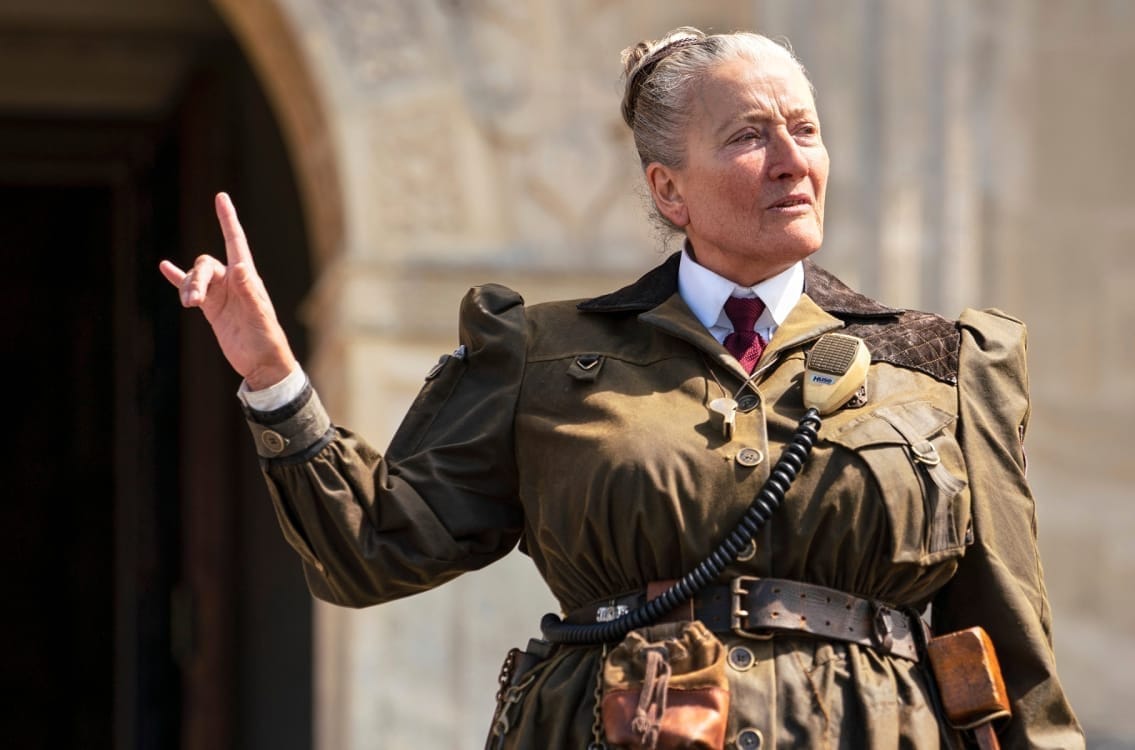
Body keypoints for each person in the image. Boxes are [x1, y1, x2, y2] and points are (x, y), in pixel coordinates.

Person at [160, 27, 1084, 750]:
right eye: (750, 137)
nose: (792, 160)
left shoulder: (937, 363)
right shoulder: (542, 354)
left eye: (803, 129)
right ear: (668, 190)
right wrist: (272, 376)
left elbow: (1011, 643)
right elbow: (372, 548)